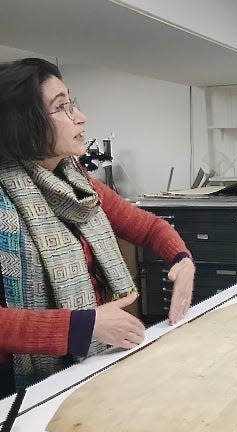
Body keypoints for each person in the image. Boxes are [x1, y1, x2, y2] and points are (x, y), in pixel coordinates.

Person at [0, 58, 196, 398]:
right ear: (23, 123)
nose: (80, 116)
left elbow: (149, 228)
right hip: (17, 393)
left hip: (85, 366)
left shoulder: (78, 184)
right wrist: (82, 326)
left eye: (72, 102)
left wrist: (181, 259)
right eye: (61, 107)